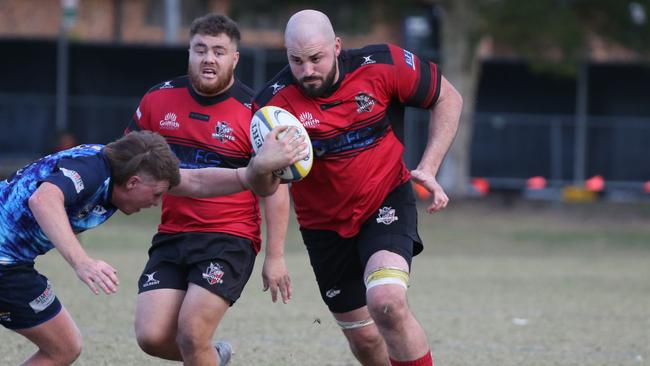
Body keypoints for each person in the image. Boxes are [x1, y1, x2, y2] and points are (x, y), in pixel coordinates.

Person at [252, 9, 463, 366]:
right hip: (323, 227)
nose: (307, 71)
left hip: (384, 200)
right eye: (296, 61)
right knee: (365, 339)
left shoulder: (382, 65)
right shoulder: (272, 106)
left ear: (337, 46)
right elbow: (265, 185)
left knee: (387, 303)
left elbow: (449, 97)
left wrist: (428, 166)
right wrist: (263, 167)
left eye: (316, 58)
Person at [0, 129, 306, 366]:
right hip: (5, 263)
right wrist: (82, 261)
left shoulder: (117, 170)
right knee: (64, 347)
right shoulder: (93, 170)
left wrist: (253, 172)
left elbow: (196, 182)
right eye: (157, 193)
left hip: (13, 266)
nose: (157, 203)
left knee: (64, 346)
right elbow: (43, 199)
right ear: (133, 183)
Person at [125, 13, 293, 366]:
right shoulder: (158, 100)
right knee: (152, 337)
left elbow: (275, 188)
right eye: (200, 49)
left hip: (229, 238)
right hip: (172, 235)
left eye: (219, 51)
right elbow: (129, 160)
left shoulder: (255, 113)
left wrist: (275, 256)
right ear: (189, 53)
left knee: (191, 332)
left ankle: (202, 350)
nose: (208, 59)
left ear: (235, 58)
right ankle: (215, 358)